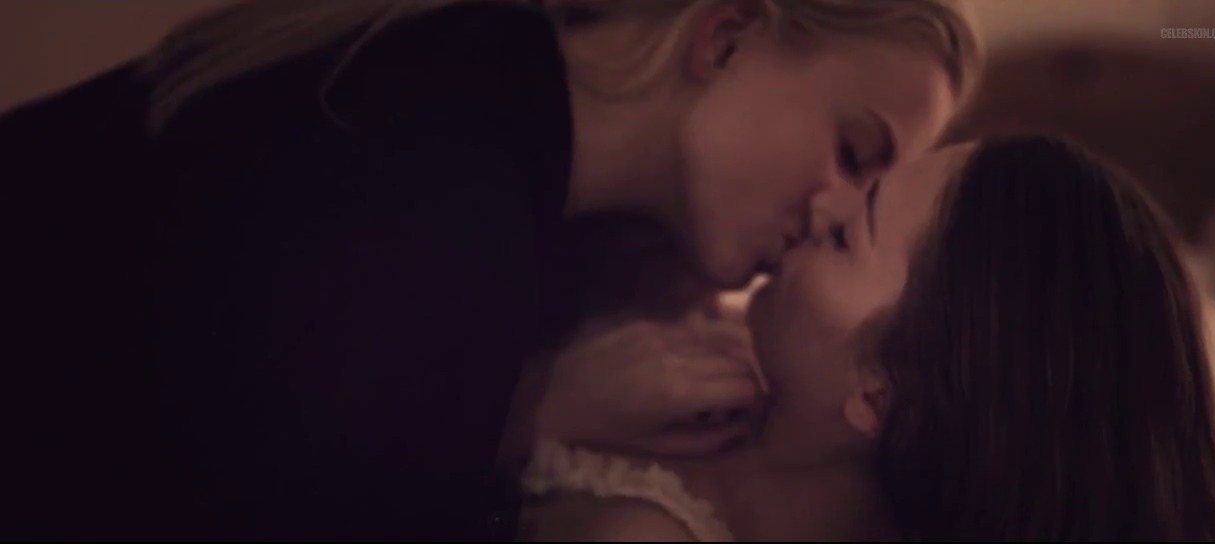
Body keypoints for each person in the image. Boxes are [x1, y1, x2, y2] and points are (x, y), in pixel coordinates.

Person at [0, 0, 979, 539]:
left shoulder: (485, 107)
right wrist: (529, 415)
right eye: (854, 153)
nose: (837, 213)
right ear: (723, 37)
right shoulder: (426, 177)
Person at [520, 137, 1215, 541]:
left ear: (880, 393)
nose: (820, 203)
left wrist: (537, 412)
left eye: (846, 236)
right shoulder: (709, 354)